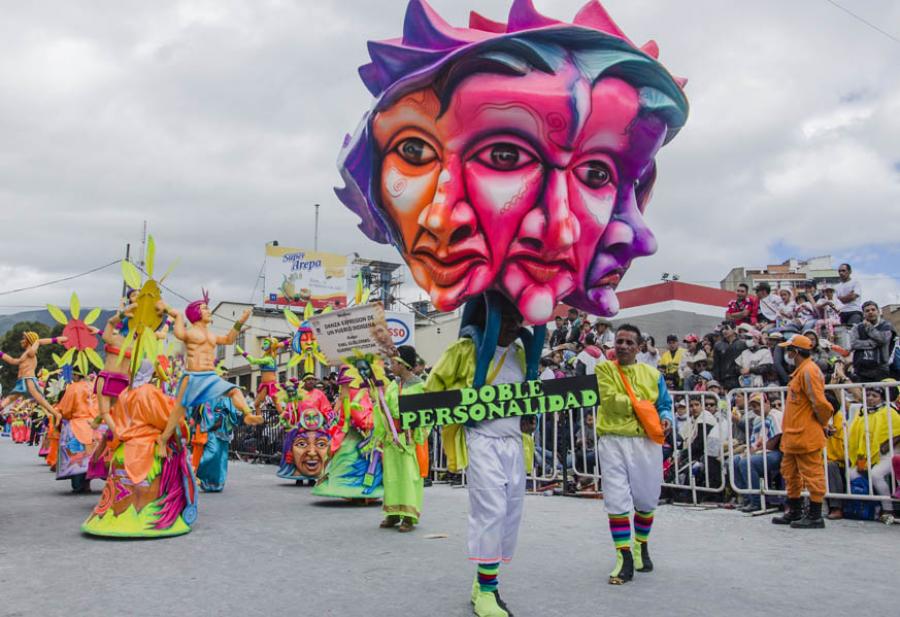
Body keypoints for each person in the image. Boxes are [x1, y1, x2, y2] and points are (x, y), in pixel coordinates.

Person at [425, 299, 532, 616]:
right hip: (482, 440)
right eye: (506, 319)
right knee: (491, 510)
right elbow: (433, 391)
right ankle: (487, 593)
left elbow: (529, 399)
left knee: (510, 515)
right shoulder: (463, 350)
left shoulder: (521, 354)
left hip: (515, 444)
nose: (514, 326)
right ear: (489, 318)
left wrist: (530, 418)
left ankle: (484, 580)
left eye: (517, 320)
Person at [594, 324, 672, 585]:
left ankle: (640, 545)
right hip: (613, 439)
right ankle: (623, 556)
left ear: (639, 347)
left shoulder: (653, 374)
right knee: (616, 499)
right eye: (619, 341)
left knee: (647, 499)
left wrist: (665, 417)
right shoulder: (604, 369)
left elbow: (664, 404)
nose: (623, 346)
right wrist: (643, 405)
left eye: (629, 343)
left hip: (645, 441)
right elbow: (610, 401)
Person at [156, 298, 263, 456]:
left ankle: (248, 415)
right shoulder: (190, 332)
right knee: (179, 408)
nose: (209, 311)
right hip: (193, 376)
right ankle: (163, 439)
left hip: (210, 376)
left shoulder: (212, 335)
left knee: (234, 390)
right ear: (196, 312)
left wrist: (240, 321)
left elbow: (229, 340)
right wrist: (167, 309)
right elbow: (178, 333)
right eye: (205, 308)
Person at [772, 335, 834, 528]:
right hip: (792, 435)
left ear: (795, 352)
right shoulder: (800, 372)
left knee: (812, 474)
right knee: (790, 474)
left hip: (805, 433)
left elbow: (821, 404)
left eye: (788, 350)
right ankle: (795, 511)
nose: (786, 354)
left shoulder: (809, 371)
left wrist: (824, 424)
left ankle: (815, 515)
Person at [379, 345, 428, 532]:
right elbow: (384, 410)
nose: (391, 366)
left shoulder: (421, 386)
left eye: (394, 363)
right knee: (392, 476)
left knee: (409, 476)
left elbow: (426, 415)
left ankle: (409, 516)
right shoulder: (393, 385)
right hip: (393, 438)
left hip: (410, 439)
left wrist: (415, 432)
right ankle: (392, 513)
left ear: (403, 364)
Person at [847, 387, 900, 524]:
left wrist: (888, 444)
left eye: (874, 395)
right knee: (853, 474)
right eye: (868, 395)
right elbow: (858, 440)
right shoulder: (862, 413)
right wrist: (860, 461)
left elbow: (898, 431)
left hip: (888, 455)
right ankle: (868, 508)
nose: (870, 398)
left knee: (876, 474)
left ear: (881, 398)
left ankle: (888, 509)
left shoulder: (890, 412)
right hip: (865, 455)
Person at [0, 331, 65, 426]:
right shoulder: (26, 354)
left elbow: (38, 341)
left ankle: (56, 414)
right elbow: (13, 361)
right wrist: (1, 354)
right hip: (22, 381)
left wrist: (55, 340)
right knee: (10, 399)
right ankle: (56, 414)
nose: (21, 341)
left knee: (40, 399)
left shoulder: (31, 352)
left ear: (29, 341)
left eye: (24, 339)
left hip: (28, 380)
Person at [733, 393, 782, 512]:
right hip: (761, 451)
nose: (756, 408)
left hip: (776, 452)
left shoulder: (775, 416)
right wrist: (749, 452)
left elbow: (773, 443)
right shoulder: (757, 419)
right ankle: (747, 499)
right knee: (735, 460)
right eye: (753, 406)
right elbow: (754, 442)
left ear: (767, 403)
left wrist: (753, 452)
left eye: (758, 405)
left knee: (746, 463)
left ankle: (757, 501)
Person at [850, 301, 896, 383]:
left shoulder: (886, 326)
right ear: (863, 314)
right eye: (867, 311)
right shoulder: (857, 328)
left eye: (873, 310)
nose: (870, 312)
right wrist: (874, 343)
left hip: (880, 368)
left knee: (880, 395)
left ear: (878, 311)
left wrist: (869, 328)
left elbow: (883, 339)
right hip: (861, 370)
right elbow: (854, 344)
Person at [713, 323, 747, 391]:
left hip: (739, 379)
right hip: (724, 380)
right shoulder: (718, 345)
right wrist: (718, 383)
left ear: (734, 329)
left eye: (726, 328)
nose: (724, 331)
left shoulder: (742, 344)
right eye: (722, 329)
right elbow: (716, 366)